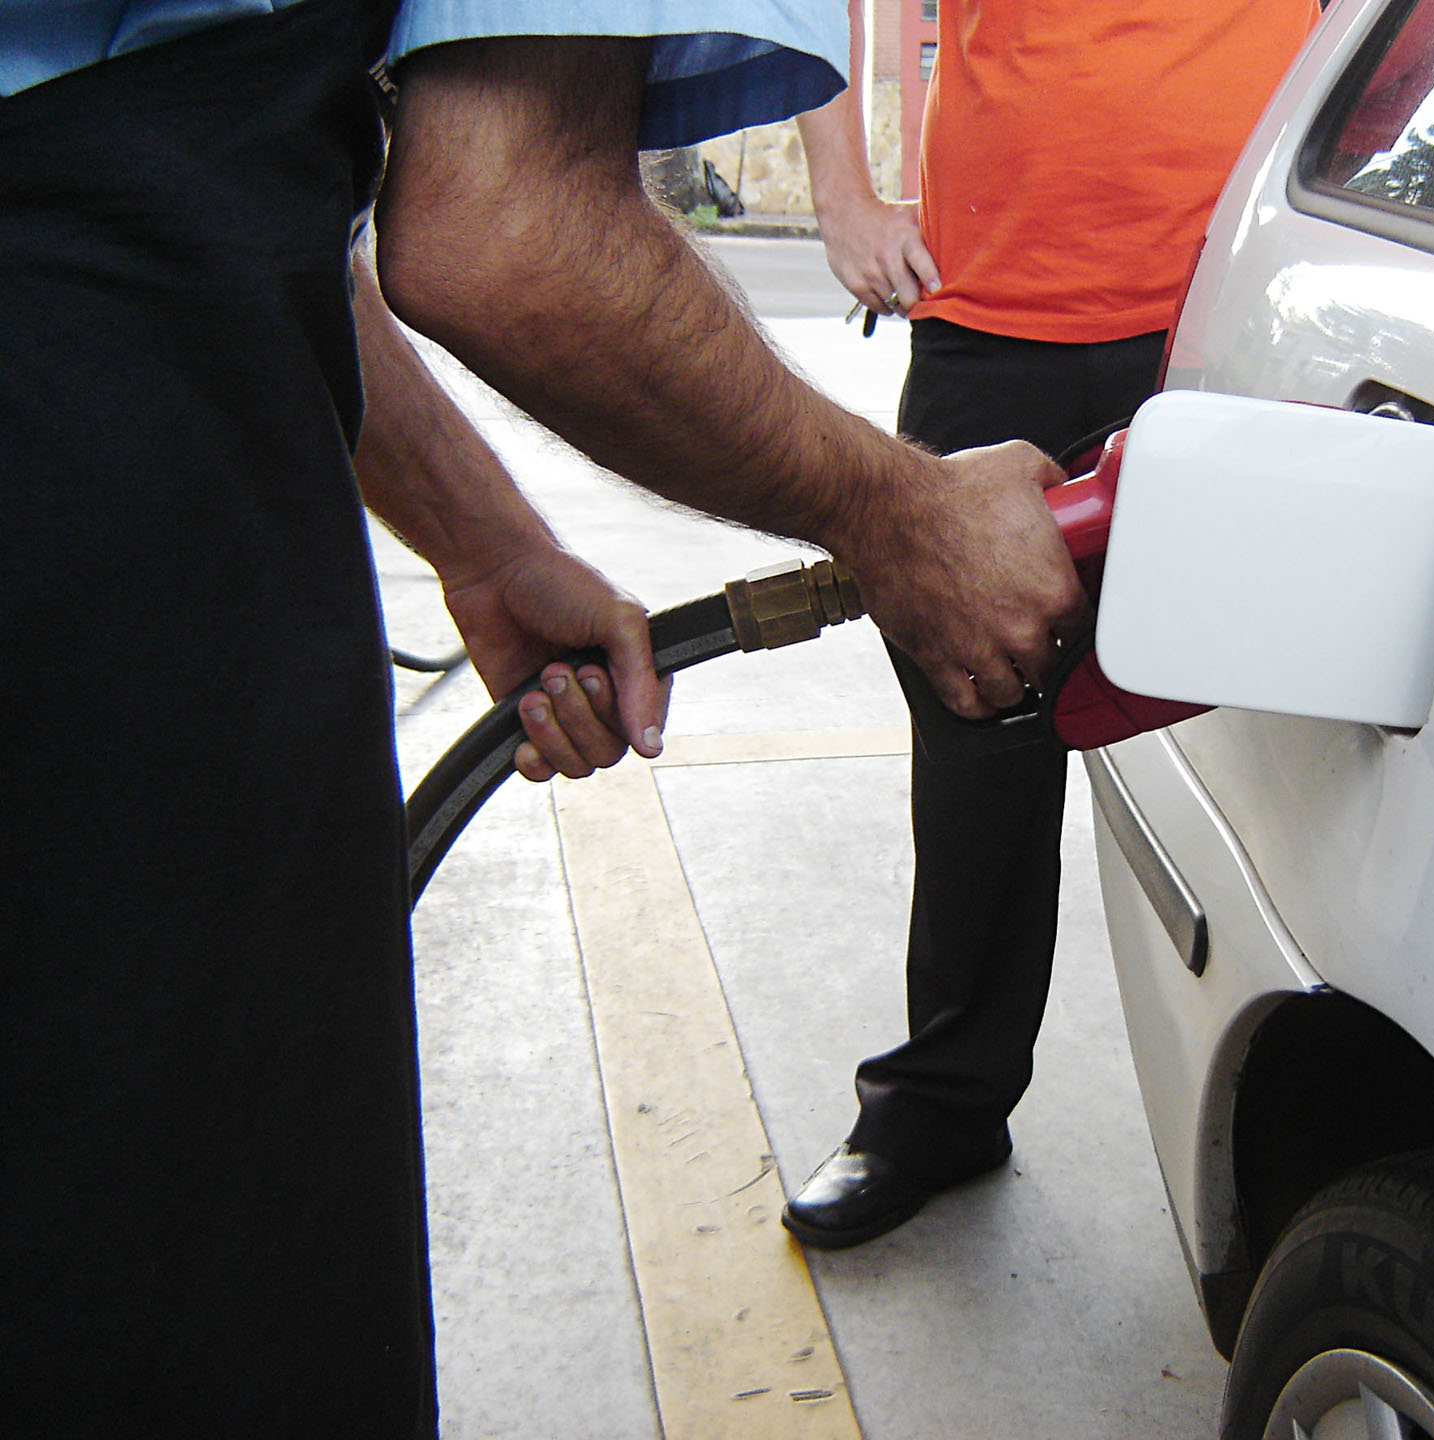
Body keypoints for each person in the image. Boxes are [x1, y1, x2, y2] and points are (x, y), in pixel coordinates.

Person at [0, 2, 1087, 1433]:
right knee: (182, 1284)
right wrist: (900, 516)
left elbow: (212, 206)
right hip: (91, 477)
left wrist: (487, 540)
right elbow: (506, 223)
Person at [781, 0, 1321, 1250]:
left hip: (1242, 323)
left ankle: (1325, 1118)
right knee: (979, 728)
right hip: (992, 324)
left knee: (1301, 719)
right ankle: (943, 1106)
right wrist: (843, 197)